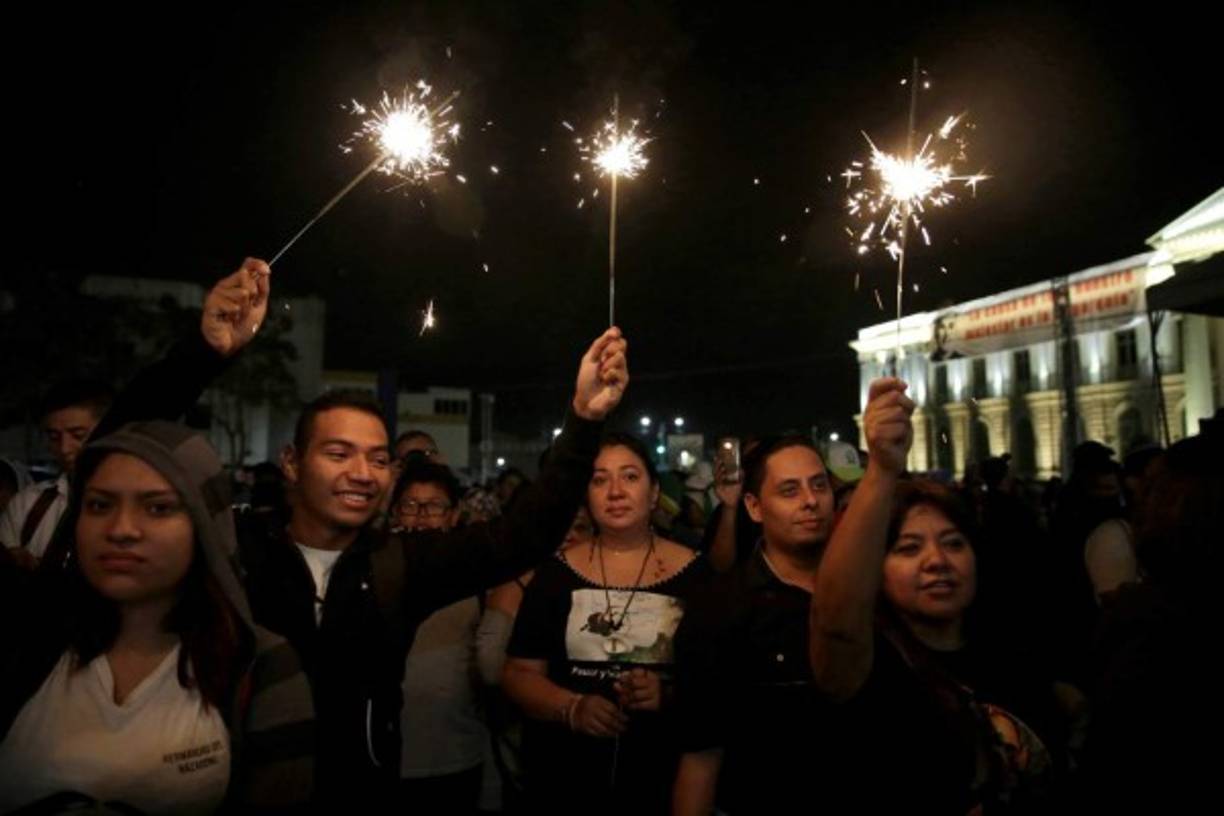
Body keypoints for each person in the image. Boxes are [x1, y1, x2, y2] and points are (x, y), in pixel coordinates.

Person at [85, 258, 631, 803]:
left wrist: (584, 418)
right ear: (292, 462)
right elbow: (121, 455)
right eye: (338, 453)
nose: (361, 473)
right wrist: (203, 354)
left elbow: (524, 536)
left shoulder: (400, 563)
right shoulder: (236, 549)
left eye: (376, 458)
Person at [0, 421, 314, 813]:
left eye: (157, 508)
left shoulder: (260, 664)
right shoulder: (27, 643)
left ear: (204, 525)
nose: (121, 529)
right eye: (99, 504)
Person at [810, 378, 1066, 813]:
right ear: (878, 570)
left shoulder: (1016, 653)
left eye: (952, 543)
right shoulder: (873, 671)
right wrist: (882, 471)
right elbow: (833, 619)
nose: (936, 561)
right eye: (909, 548)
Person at [503, 433, 705, 812]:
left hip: (663, 775)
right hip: (564, 776)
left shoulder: (696, 572)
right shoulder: (555, 575)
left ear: (654, 490)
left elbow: (720, 683)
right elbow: (518, 673)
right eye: (599, 480)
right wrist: (572, 706)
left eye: (630, 477)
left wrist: (667, 694)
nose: (615, 491)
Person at [672, 435, 841, 814]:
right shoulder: (721, 608)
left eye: (819, 485)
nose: (810, 501)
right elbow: (701, 756)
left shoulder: (866, 590)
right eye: (789, 490)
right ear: (754, 506)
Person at [0, 379, 114, 561]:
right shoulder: (27, 504)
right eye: (54, 437)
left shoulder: (137, 502)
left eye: (78, 436)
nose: (64, 448)